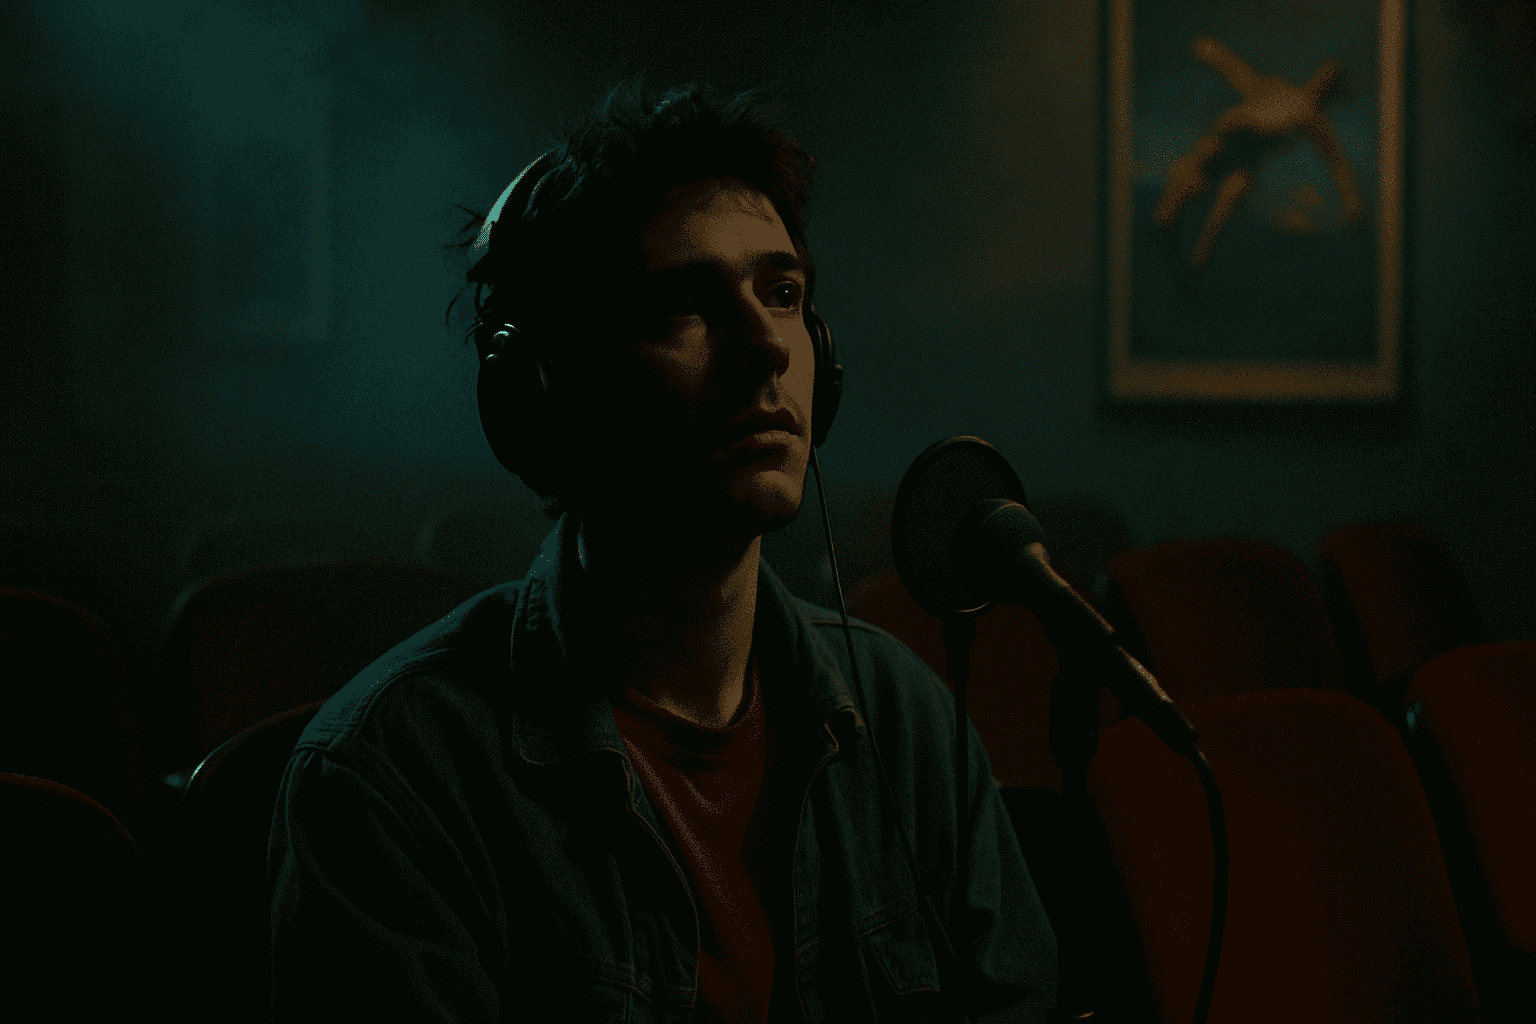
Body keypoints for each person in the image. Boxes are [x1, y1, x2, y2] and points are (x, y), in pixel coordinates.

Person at [268, 77, 1057, 1022]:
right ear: (546, 395)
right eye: (685, 305)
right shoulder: (394, 779)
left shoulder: (905, 722)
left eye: (783, 294)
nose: (767, 347)